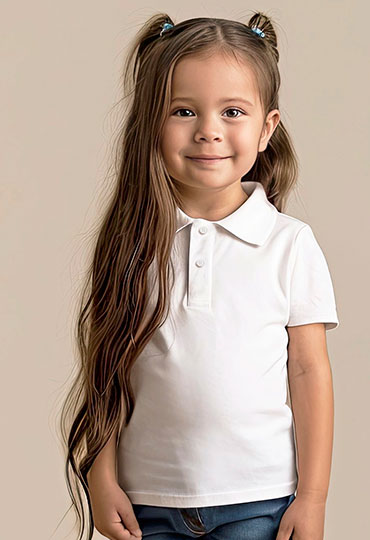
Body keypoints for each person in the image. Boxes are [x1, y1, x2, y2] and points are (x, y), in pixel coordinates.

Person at [59, 11, 340, 540]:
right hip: (146, 503)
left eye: (232, 111)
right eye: (184, 110)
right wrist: (101, 475)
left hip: (258, 503)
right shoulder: (131, 242)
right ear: (151, 123)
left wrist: (313, 498)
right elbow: (105, 368)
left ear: (267, 129)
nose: (209, 130)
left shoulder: (289, 245)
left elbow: (309, 373)